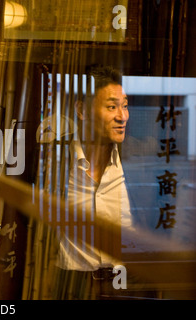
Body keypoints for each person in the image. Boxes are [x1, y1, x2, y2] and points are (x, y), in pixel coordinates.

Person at [51, 65, 134, 300]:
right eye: (111, 107)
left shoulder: (138, 159)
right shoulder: (55, 160)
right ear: (82, 110)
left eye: (125, 106)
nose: (122, 116)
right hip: (70, 286)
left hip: (126, 284)